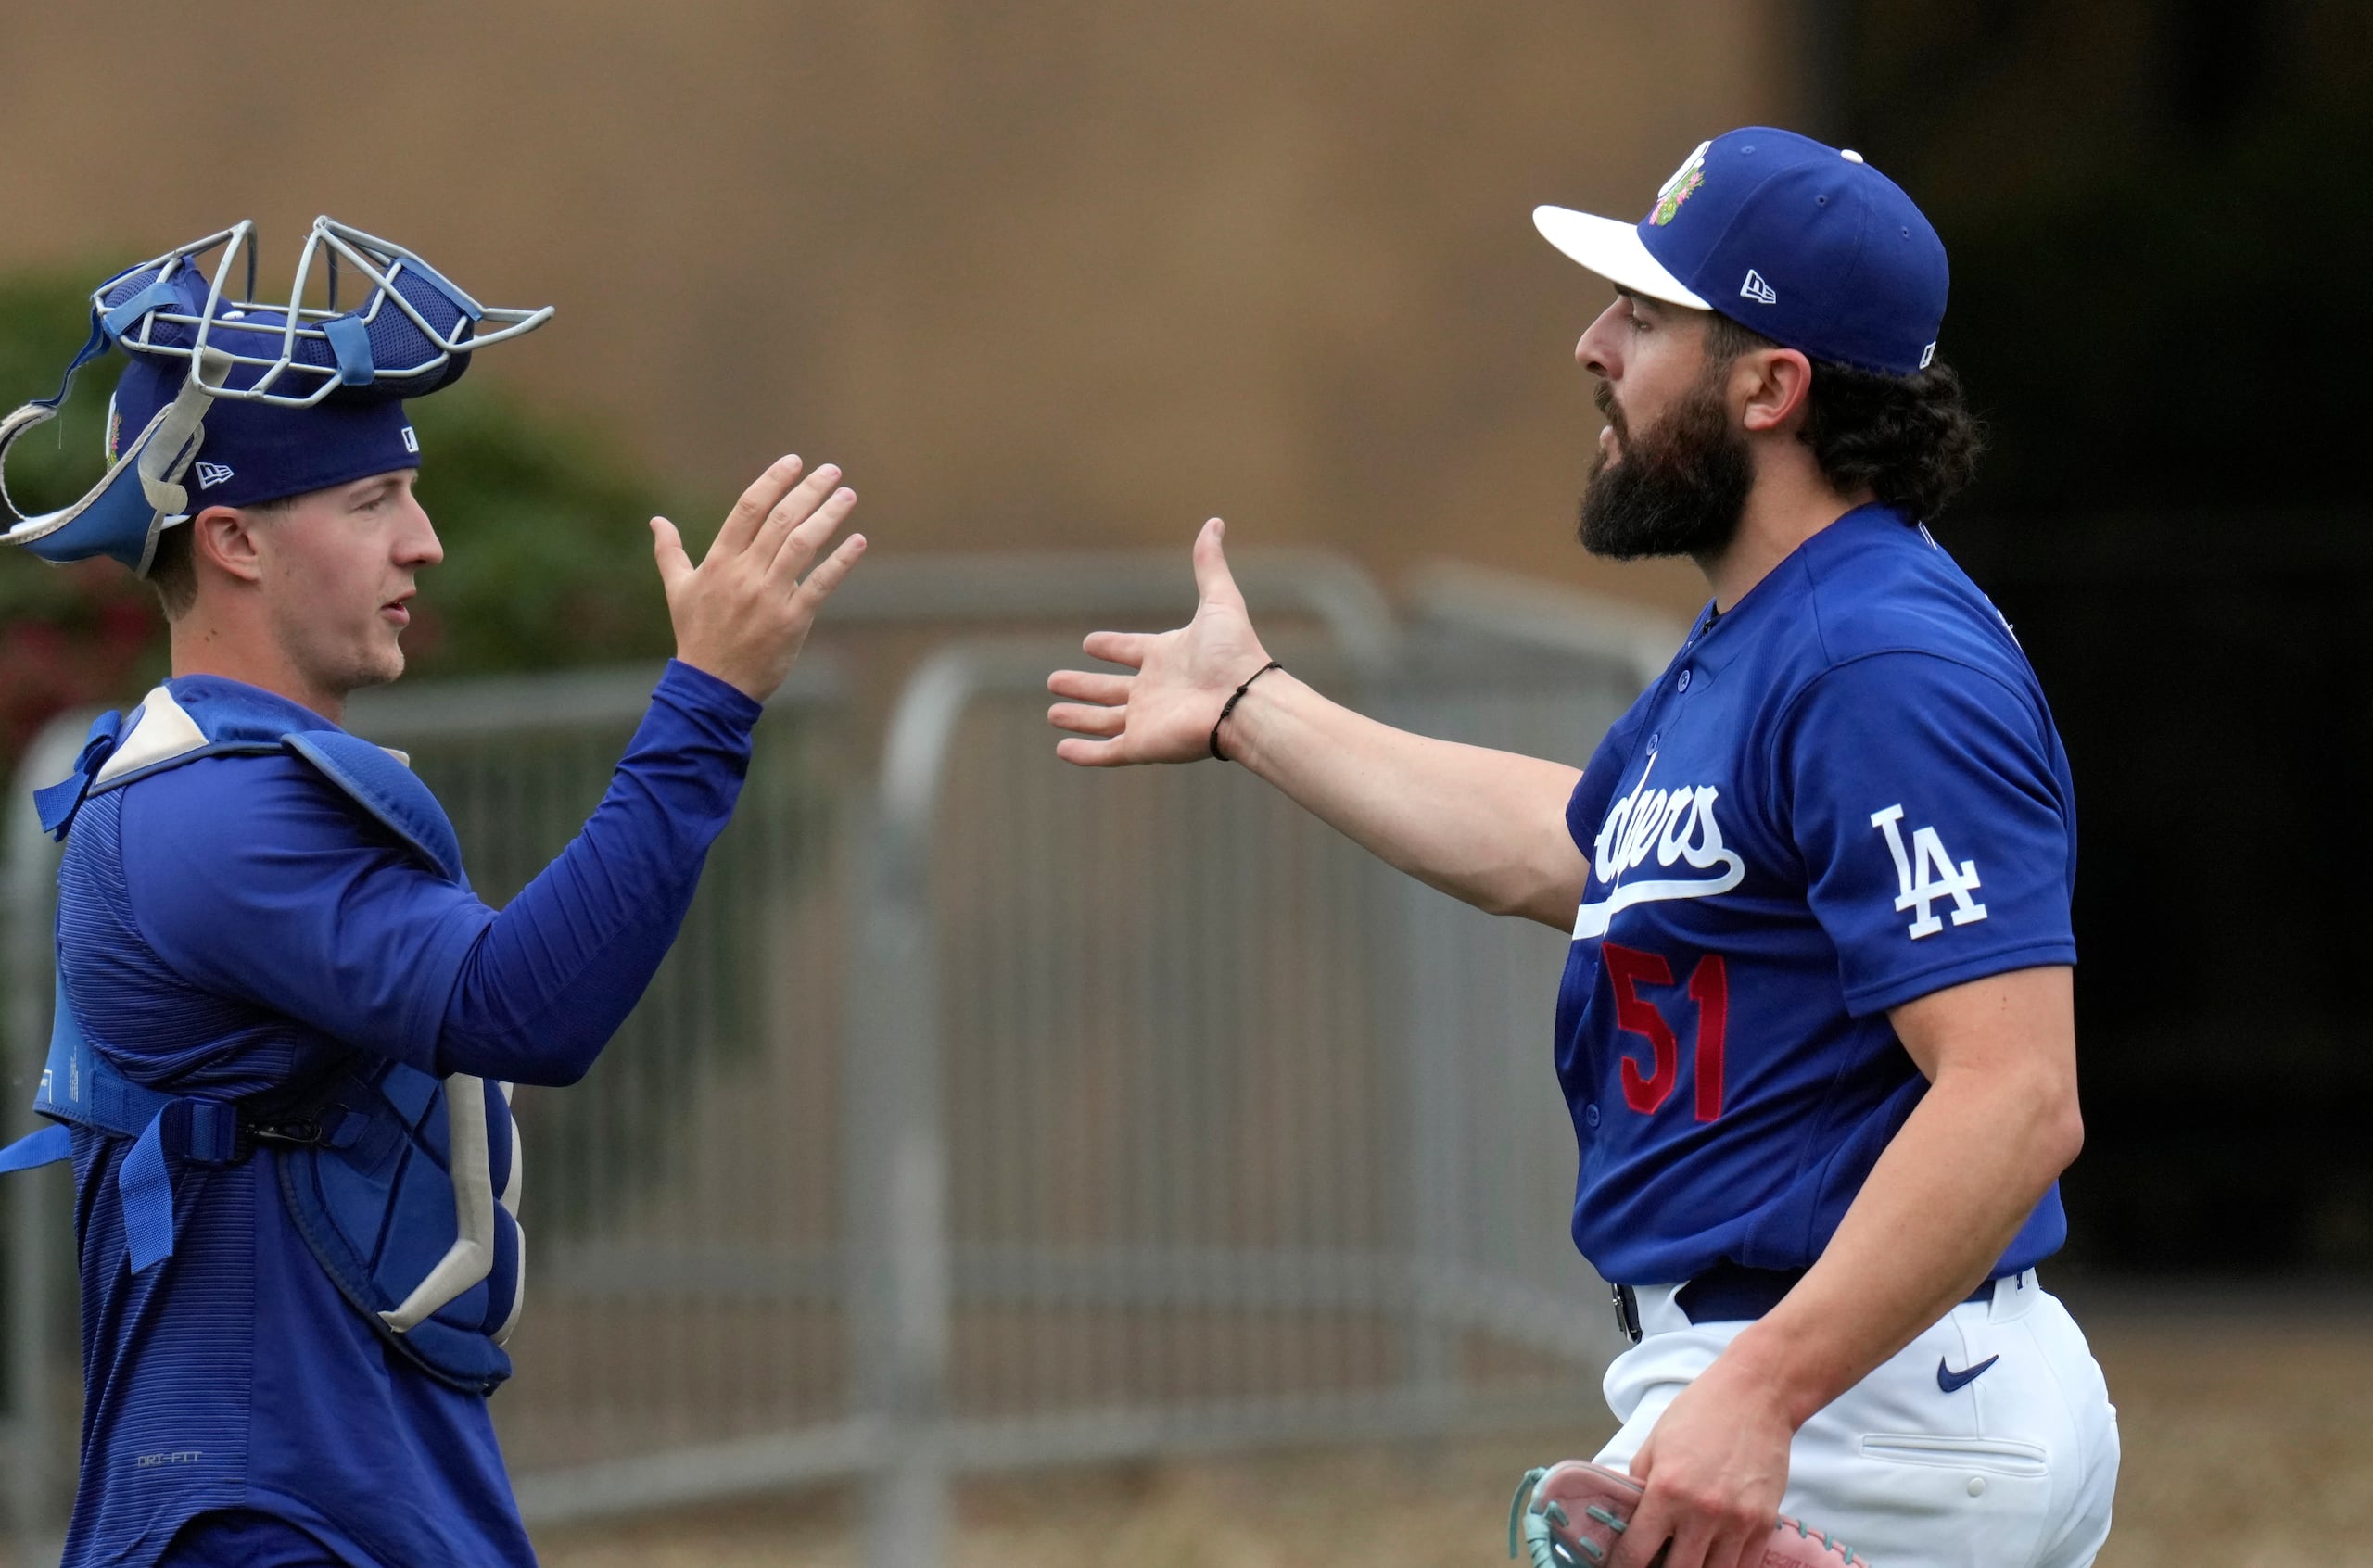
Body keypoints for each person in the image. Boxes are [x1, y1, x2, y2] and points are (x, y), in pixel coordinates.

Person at [1047, 128, 2118, 1568]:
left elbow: (2014, 1094)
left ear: (1771, 385)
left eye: (1647, 313)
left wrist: (1761, 1395)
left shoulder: (1875, 657)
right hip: (1870, 1389)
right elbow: (1576, 849)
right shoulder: (1781, 629)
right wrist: (1253, 708)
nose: (1591, 344)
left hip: (1861, 1407)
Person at [0, 221, 865, 1567]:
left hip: (351, 1501)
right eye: (371, 503)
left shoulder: (235, 788)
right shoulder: (208, 819)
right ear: (231, 539)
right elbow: (524, 1007)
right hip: (262, 1519)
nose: (427, 544)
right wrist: (707, 701)